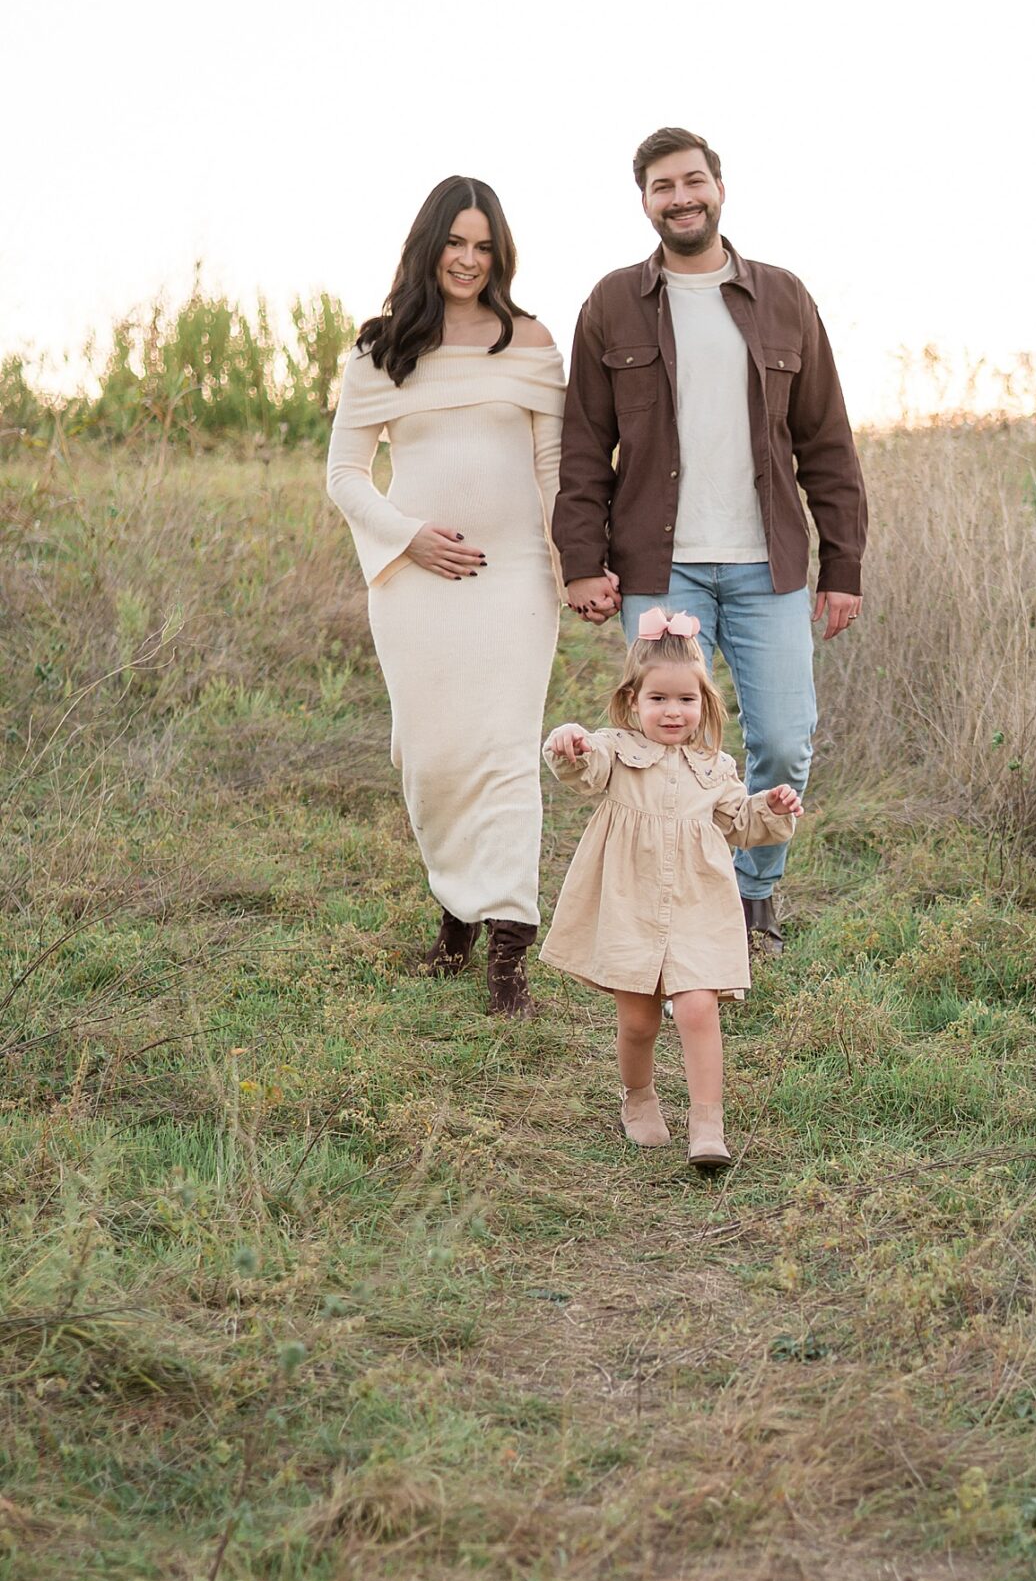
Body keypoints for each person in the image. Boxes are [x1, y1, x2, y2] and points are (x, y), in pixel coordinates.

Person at [552, 126, 865, 955]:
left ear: (719, 188)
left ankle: (755, 892)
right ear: (646, 201)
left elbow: (827, 442)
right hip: (661, 568)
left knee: (785, 735)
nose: (681, 196)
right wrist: (582, 561)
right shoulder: (613, 302)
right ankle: (678, 901)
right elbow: (584, 444)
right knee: (666, 746)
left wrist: (844, 565)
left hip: (770, 565)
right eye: (663, 186)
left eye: (693, 180)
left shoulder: (784, 297)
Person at [326, 176, 565, 1017]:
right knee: (429, 756)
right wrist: (408, 536)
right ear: (429, 246)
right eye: (455, 242)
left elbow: (552, 470)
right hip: (416, 585)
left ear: (499, 255)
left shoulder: (530, 342)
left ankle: (507, 955)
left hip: (515, 583)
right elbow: (344, 474)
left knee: (504, 754)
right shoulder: (380, 350)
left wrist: (568, 567)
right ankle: (456, 913)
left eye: (484, 246)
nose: (468, 259)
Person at [539, 611, 803, 1170]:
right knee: (639, 1020)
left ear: (703, 705)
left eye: (686, 700)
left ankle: (708, 1125)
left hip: (697, 902)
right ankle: (638, 1095)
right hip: (631, 904)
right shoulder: (615, 751)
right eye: (658, 699)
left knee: (697, 1009)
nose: (672, 711)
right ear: (633, 701)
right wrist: (568, 744)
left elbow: (742, 823)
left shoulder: (716, 767)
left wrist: (771, 808)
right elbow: (582, 770)